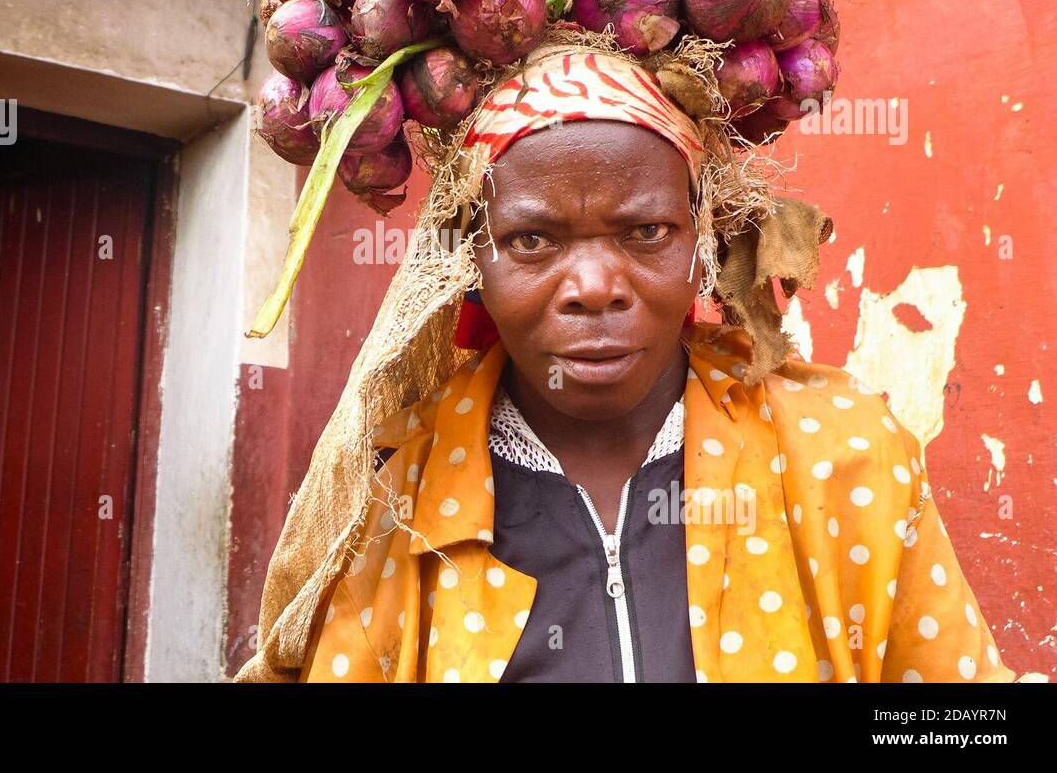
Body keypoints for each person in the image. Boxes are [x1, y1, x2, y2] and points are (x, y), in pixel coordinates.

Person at [236, 37, 1026, 683]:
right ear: (470, 259)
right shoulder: (399, 501)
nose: (593, 288)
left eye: (644, 232)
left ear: (703, 240)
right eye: (532, 240)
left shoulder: (843, 453)